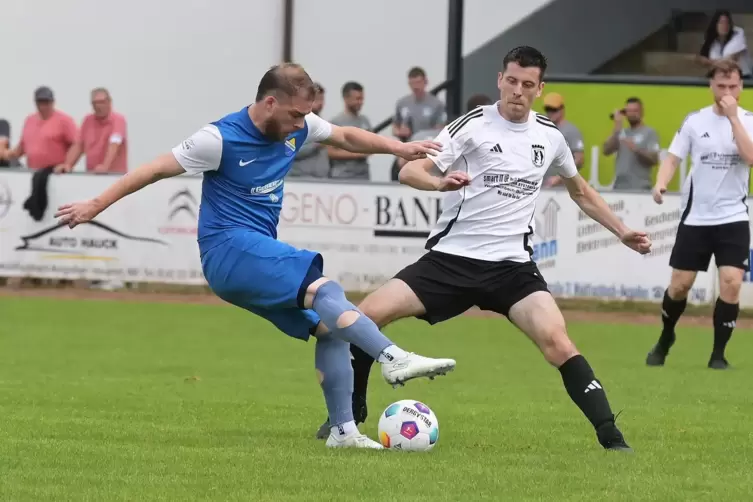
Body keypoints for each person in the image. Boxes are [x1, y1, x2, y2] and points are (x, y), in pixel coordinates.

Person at [54, 63, 456, 450]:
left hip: (248, 257)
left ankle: (344, 431)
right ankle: (392, 357)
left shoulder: (297, 125)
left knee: (329, 327)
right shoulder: (219, 138)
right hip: (228, 250)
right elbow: (155, 169)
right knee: (325, 289)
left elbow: (347, 136)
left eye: (307, 115)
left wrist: (399, 147)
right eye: (296, 114)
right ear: (269, 103)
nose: (302, 124)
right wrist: (95, 204)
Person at [315, 46, 652, 452]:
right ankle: (352, 415)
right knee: (365, 316)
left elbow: (580, 191)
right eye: (511, 81)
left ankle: (612, 438)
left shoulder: (550, 137)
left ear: (540, 89)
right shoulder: (471, 126)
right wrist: (439, 183)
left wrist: (621, 231)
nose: (517, 91)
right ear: (500, 80)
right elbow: (410, 169)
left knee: (558, 343)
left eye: (528, 84)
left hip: (512, 268)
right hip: (451, 260)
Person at [646, 59, 753, 370]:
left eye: (733, 86)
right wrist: (661, 182)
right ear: (711, 86)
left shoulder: (747, 120)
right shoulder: (694, 121)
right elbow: (673, 157)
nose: (727, 92)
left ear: (741, 87)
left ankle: (718, 354)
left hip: (733, 215)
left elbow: (750, 157)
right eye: (721, 86)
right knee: (680, 285)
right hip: (696, 217)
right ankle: (666, 337)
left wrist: (733, 118)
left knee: (731, 281)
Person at [602, 97, 660, 191]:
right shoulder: (621, 132)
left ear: (642, 112)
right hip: (619, 187)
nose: (631, 114)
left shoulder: (649, 132)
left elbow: (654, 159)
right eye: (628, 111)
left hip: (640, 188)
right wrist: (616, 130)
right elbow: (606, 151)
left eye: (635, 111)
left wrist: (636, 149)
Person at [540, 92, 585, 187]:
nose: (550, 113)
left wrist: (559, 178)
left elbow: (579, 159)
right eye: (548, 109)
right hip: (543, 186)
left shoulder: (571, 130)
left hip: (563, 188)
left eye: (554, 109)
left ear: (562, 109)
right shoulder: (542, 129)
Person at [696, 10, 752, 79]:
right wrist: (714, 64)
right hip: (722, 78)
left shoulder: (738, 33)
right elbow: (711, 66)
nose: (724, 26)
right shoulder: (714, 41)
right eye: (721, 22)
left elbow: (728, 63)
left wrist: (709, 62)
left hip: (743, 78)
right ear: (715, 24)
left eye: (727, 22)